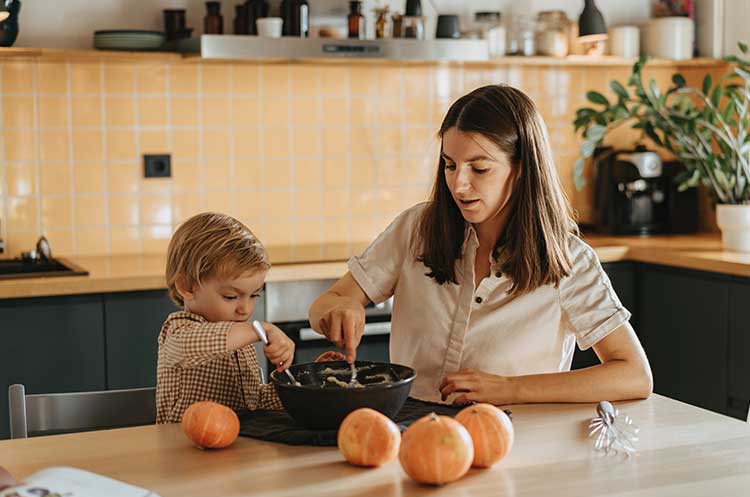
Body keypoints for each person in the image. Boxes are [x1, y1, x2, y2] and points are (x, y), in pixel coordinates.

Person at [309, 85, 653, 406]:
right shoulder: (416, 229)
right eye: (450, 165)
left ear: (521, 169)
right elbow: (329, 301)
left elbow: (634, 374)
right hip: (412, 432)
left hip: (517, 440)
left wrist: (511, 389)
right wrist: (340, 309)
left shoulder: (568, 261)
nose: (459, 185)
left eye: (480, 168)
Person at [157, 212, 296, 424]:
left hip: (236, 447)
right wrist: (259, 329)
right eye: (231, 296)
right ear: (187, 287)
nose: (246, 309)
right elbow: (192, 346)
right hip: (184, 450)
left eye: (254, 295)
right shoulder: (177, 331)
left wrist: (307, 385)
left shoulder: (240, 340)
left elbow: (253, 403)